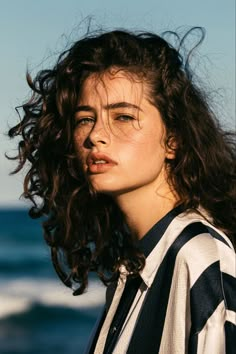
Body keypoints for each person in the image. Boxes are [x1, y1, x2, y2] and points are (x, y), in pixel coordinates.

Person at [8, 27, 235, 354]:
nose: (96, 135)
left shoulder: (197, 257)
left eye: (123, 116)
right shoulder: (133, 266)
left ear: (173, 139)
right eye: (85, 119)